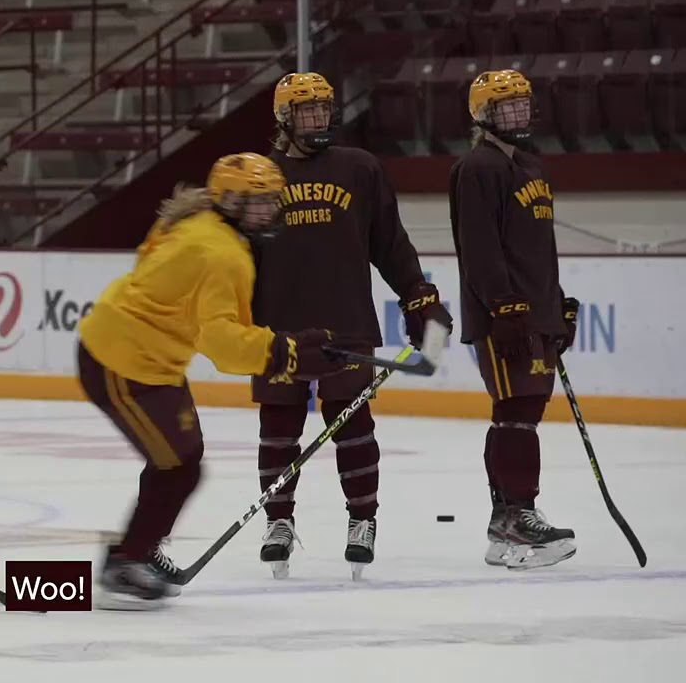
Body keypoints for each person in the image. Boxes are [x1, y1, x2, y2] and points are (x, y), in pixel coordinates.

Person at [77, 152, 356, 610]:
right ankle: (123, 565)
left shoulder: (200, 220)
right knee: (179, 466)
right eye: (258, 201)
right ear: (230, 201)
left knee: (180, 459)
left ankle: (137, 549)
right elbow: (223, 344)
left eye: (272, 200)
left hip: (149, 361)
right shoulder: (223, 253)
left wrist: (294, 345)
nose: (270, 210)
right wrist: (291, 353)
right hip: (120, 363)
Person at [252, 72, 453, 581]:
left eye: (324, 109)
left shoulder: (359, 168)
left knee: (354, 429)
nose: (318, 119)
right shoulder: (258, 176)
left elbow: (390, 243)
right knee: (278, 431)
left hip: (346, 323)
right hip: (279, 327)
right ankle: (278, 521)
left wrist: (419, 298)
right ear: (284, 118)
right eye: (307, 111)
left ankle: (362, 520)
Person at [450, 69, 579, 570]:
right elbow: (479, 246)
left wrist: (555, 303)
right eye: (507, 106)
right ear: (484, 114)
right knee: (517, 408)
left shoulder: (532, 167)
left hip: (535, 312)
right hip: (504, 316)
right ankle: (519, 513)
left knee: (520, 412)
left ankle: (506, 519)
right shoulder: (477, 168)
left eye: (524, 104)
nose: (519, 114)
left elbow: (537, 249)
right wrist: (503, 304)